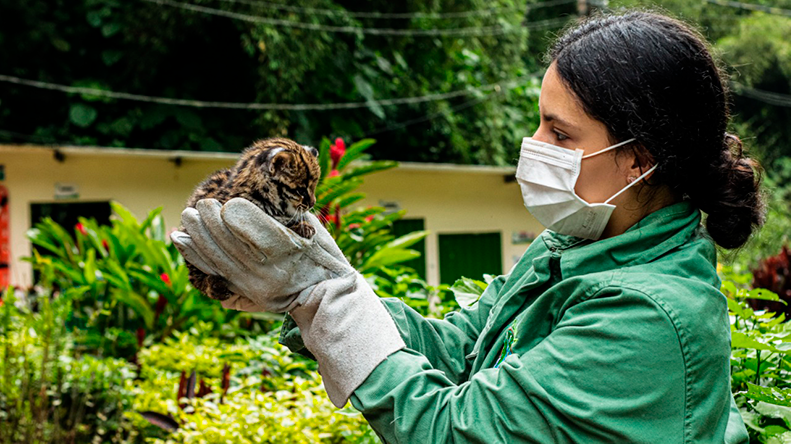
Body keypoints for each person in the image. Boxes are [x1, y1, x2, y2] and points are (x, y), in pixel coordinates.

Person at [171, 10, 765, 443]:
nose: (532, 146)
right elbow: (460, 351)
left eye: (560, 134)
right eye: (539, 122)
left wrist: (324, 298)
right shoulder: (577, 243)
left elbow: (453, 430)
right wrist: (318, 287)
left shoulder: (649, 317)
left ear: (640, 159)